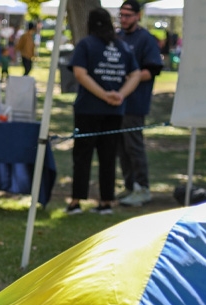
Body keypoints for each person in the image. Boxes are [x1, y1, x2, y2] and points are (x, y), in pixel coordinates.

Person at [67, 7, 140, 216]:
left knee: (82, 155)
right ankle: (106, 201)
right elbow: (135, 74)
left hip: (88, 109)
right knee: (108, 156)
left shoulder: (86, 44)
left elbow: (80, 74)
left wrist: (103, 94)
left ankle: (76, 201)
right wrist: (120, 95)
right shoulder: (123, 47)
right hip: (114, 111)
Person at [116, 0, 163, 207]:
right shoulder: (117, 37)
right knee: (121, 147)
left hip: (135, 102)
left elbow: (152, 70)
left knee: (134, 145)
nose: (124, 19)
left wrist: (130, 79)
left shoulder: (145, 39)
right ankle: (129, 186)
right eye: (121, 15)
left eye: (128, 15)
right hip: (116, 102)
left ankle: (142, 188)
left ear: (138, 16)